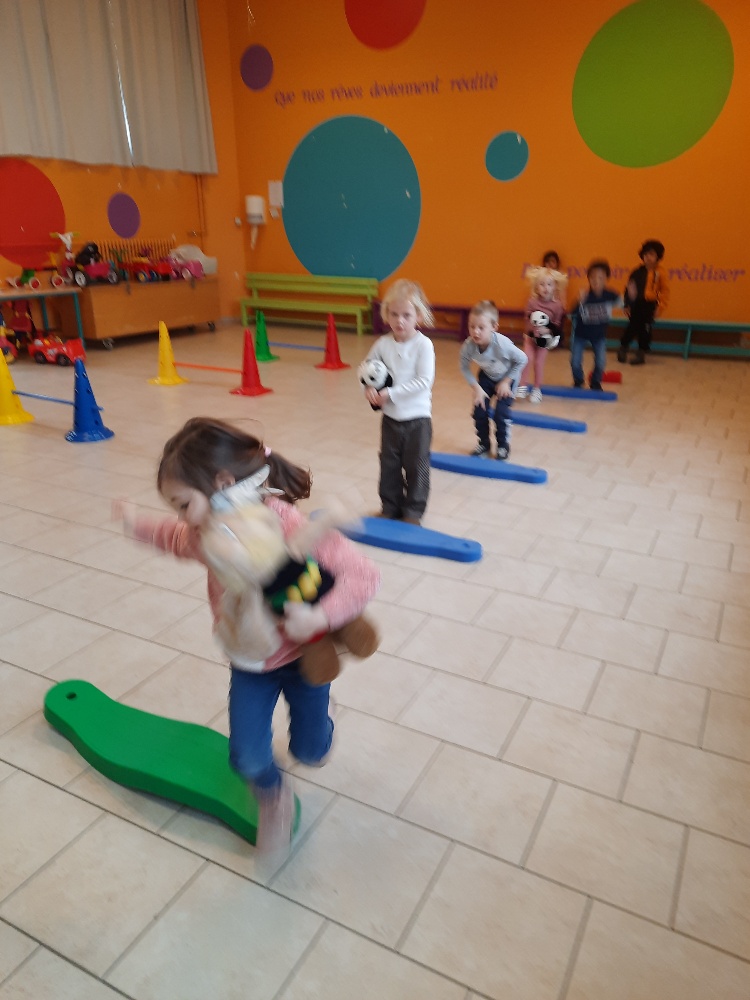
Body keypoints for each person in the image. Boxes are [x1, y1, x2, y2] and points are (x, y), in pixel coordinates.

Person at [114, 417, 380, 852]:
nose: (181, 516)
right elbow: (173, 536)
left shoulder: (282, 521)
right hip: (251, 662)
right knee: (247, 757)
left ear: (222, 482)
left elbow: (363, 576)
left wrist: (319, 618)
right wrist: (134, 524)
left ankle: (321, 719)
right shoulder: (203, 533)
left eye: (183, 503)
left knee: (311, 751)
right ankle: (272, 797)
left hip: (304, 658)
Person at [362, 278, 435, 526]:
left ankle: (413, 511)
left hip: (418, 421)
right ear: (386, 314)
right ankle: (390, 507)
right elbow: (366, 368)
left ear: (418, 316)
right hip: (391, 420)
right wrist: (368, 388)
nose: (399, 321)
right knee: (389, 465)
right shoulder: (382, 344)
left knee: (417, 467)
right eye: (394, 314)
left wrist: (390, 394)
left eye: (406, 315)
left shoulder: (423, 345)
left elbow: (424, 381)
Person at [459, 300, 527, 460]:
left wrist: (506, 382)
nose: (475, 332)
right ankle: (484, 443)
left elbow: (522, 359)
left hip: (508, 379)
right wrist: (477, 389)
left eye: (481, 328)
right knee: (479, 410)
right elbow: (464, 367)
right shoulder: (468, 346)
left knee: (500, 414)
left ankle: (503, 445)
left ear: (494, 327)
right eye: (472, 326)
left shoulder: (502, 344)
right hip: (487, 377)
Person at [517, 266, 567, 403]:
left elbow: (557, 325)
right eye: (542, 284)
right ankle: (522, 385)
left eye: (549, 284)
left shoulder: (557, 306)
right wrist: (533, 330)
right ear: (536, 287)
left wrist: (548, 331)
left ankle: (537, 389)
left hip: (545, 341)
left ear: (554, 286)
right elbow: (527, 319)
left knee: (539, 363)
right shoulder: (532, 302)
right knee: (526, 358)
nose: (546, 288)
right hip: (530, 337)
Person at [570, 260, 622, 391]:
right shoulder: (585, 296)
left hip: (599, 335)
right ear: (588, 279)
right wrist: (578, 301)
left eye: (600, 277)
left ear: (606, 279)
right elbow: (572, 312)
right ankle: (578, 380)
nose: (596, 281)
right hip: (581, 334)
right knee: (575, 361)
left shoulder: (610, 295)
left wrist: (631, 298)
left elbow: (624, 304)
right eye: (593, 277)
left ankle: (595, 382)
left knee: (601, 362)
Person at [618, 239, 670, 366]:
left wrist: (660, 306)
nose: (648, 257)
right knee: (631, 327)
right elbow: (629, 289)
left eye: (651, 254)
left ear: (658, 256)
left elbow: (665, 291)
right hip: (636, 305)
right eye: (646, 254)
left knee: (645, 330)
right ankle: (623, 348)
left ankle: (641, 353)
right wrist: (627, 305)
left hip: (649, 305)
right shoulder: (637, 272)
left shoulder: (660, 273)